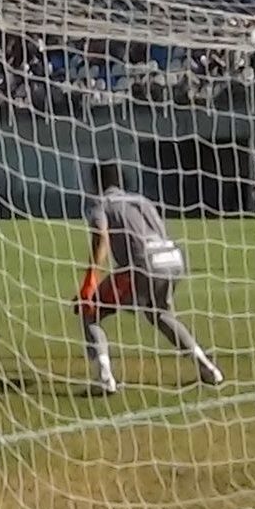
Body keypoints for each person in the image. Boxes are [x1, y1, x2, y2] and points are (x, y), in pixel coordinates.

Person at [76, 162, 222, 393]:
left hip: (143, 264)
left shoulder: (101, 205)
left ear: (95, 183)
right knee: (161, 315)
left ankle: (104, 378)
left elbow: (101, 238)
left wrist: (90, 278)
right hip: (172, 259)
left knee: (88, 310)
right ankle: (207, 366)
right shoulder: (141, 200)